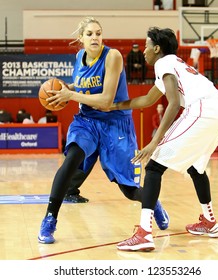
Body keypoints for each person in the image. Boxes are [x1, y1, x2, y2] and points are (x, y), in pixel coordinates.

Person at [38, 17, 169, 244]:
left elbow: (107, 101)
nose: (95, 37)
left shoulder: (113, 56)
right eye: (89, 34)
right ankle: (49, 219)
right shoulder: (79, 57)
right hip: (87, 120)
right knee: (72, 159)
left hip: (114, 123)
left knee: (128, 190)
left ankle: (152, 201)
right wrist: (64, 90)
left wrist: (71, 96)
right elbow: (82, 86)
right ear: (81, 39)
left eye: (98, 33)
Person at [108, 27, 218, 251]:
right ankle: (210, 221)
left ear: (157, 48)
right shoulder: (175, 64)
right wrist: (115, 106)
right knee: (196, 168)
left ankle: (145, 233)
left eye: (146, 46)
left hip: (203, 109)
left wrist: (155, 142)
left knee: (154, 166)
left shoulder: (163, 63)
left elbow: (173, 103)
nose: (143, 51)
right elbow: (147, 100)